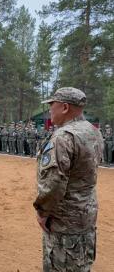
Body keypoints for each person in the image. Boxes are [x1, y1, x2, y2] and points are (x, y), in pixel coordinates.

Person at [33, 87, 104, 272]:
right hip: (86, 215)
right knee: (81, 264)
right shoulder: (93, 132)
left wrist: (43, 212)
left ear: (64, 107)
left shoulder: (63, 137)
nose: (50, 110)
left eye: (52, 105)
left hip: (63, 221)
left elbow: (53, 183)